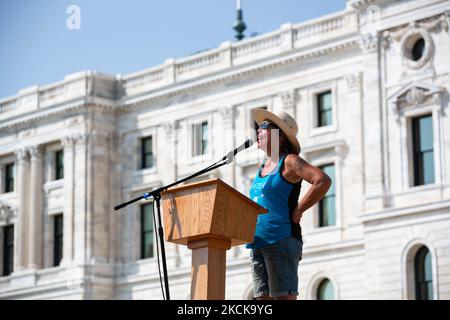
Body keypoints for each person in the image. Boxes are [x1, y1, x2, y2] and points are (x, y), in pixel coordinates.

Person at [247, 108, 332, 300]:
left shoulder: (290, 161)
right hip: (257, 243)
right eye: (257, 127)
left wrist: (299, 209)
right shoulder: (262, 166)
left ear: (281, 136)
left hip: (281, 239)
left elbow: (322, 180)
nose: (258, 131)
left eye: (265, 127)